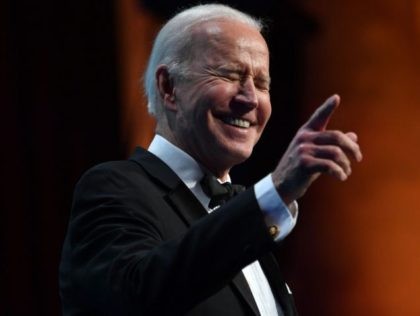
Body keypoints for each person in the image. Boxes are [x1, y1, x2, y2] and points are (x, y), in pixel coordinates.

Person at [59, 4, 362, 316]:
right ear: (169, 87)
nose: (250, 99)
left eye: (261, 83)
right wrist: (275, 190)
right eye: (229, 74)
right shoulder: (113, 188)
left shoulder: (244, 215)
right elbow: (136, 299)